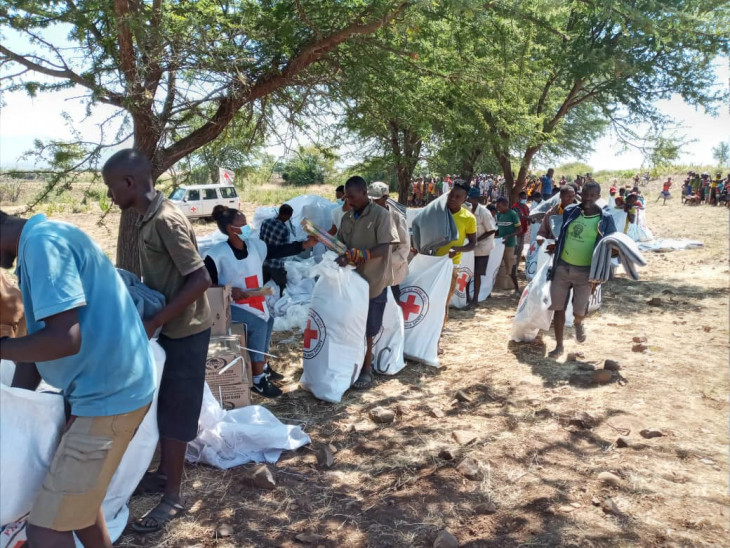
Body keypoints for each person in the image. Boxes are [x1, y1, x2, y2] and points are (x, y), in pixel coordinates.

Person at [0, 210, 155, 548]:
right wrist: (14, 409)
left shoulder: (43, 245)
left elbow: (63, 339)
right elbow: (41, 343)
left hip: (109, 396)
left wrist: (2, 348)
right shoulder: (44, 237)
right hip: (103, 389)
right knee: (77, 505)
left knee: (45, 529)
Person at [102, 149, 212, 534]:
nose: (110, 196)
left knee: (177, 411)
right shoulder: (146, 218)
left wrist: (155, 321)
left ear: (129, 183)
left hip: (187, 330)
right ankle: (164, 473)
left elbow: (200, 280)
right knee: (163, 405)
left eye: (111, 188)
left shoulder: (165, 219)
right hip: (170, 328)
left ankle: (174, 498)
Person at [204, 206, 315, 398]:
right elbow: (207, 283)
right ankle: (258, 380)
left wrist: (304, 245)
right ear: (231, 229)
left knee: (268, 320)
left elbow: (278, 250)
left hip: (255, 300)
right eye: (243, 224)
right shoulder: (216, 254)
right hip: (231, 305)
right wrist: (229, 291)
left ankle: (262, 365)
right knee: (258, 325)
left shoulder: (255, 246)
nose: (248, 227)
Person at [546, 182, 617, 358]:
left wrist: (605, 263)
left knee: (579, 309)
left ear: (598, 196)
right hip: (562, 266)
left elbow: (612, 244)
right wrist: (556, 246)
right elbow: (562, 234)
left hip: (586, 271)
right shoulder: (571, 211)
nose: (588, 198)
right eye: (585, 194)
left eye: (592, 195)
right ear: (580, 194)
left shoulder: (605, 218)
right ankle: (559, 346)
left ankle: (578, 323)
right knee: (558, 307)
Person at [336, 176, 395, 389]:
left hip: (372, 282)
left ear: (363, 192)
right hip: (351, 282)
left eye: (351, 196)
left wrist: (363, 254)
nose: (348, 200)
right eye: (345, 196)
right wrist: (340, 255)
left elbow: (385, 247)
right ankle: (349, 363)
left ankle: (366, 370)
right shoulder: (347, 217)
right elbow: (341, 245)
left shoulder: (381, 215)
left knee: (368, 329)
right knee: (350, 325)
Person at [434, 184, 477, 349]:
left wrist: (458, 249)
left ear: (464, 199)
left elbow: (473, 243)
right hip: (431, 263)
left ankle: (436, 340)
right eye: (451, 195)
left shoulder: (468, 218)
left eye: (458, 197)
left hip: (450, 265)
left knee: (443, 303)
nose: (452, 199)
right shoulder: (438, 213)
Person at [367, 182, 409, 302]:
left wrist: (385, 262)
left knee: (393, 309)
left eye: (376, 200)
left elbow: (404, 248)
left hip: (391, 273)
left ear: (385, 198)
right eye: (370, 200)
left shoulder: (397, 219)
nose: (372, 203)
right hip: (370, 274)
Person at [467, 187, 497, 307]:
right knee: (469, 272)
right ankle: (467, 297)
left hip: (482, 247)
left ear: (477, 199)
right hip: (472, 246)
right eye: (469, 198)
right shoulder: (469, 210)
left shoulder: (484, 212)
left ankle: (475, 300)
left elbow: (491, 230)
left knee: (477, 274)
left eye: (473, 198)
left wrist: (476, 240)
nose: (471, 200)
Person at [259, 204, 295, 293]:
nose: (288, 219)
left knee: (262, 284)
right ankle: (280, 301)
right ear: (285, 215)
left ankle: (263, 301)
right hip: (276, 264)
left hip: (264, 260)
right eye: (289, 217)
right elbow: (285, 249)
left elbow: (260, 239)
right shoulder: (284, 230)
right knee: (281, 286)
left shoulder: (265, 222)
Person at [496, 197, 523, 295]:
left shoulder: (513, 214)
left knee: (511, 268)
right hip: (500, 244)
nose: (497, 208)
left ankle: (516, 289)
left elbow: (519, 230)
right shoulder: (499, 215)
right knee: (495, 266)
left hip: (510, 245)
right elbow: (498, 229)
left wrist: (508, 236)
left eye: (499, 206)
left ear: (504, 205)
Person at [512, 191, 530, 268]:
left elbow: (527, 218)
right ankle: (512, 267)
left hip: (523, 231)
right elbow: (518, 216)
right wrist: (528, 218)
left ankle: (516, 267)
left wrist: (529, 220)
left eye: (525, 198)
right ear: (519, 198)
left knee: (520, 250)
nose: (524, 199)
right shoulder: (515, 207)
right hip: (515, 232)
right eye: (523, 198)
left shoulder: (526, 207)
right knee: (514, 250)